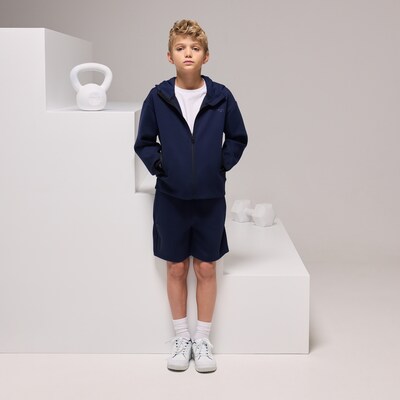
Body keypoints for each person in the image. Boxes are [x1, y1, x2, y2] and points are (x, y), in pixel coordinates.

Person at [134, 19, 248, 373]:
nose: (188, 53)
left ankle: (203, 339)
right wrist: (162, 167)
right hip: (170, 197)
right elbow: (144, 142)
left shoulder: (221, 96)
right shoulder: (158, 97)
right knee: (176, 267)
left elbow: (238, 138)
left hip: (210, 198)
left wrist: (219, 166)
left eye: (195, 49)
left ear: (206, 56)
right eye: (181, 48)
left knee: (206, 267)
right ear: (170, 56)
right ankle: (181, 338)